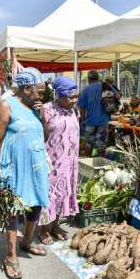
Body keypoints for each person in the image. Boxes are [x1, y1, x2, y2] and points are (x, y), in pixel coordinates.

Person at [0, 67, 50, 279]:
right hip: (14, 167)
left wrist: (42, 115)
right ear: (26, 88)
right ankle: (11, 255)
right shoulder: (7, 106)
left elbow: (45, 136)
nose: (42, 95)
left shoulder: (35, 107)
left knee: (36, 204)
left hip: (35, 165)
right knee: (13, 209)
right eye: (39, 91)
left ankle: (26, 242)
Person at [38, 76, 80, 244]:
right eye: (71, 97)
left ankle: (55, 226)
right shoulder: (47, 109)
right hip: (52, 163)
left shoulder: (73, 111)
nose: (75, 100)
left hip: (69, 162)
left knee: (63, 194)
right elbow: (41, 134)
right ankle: (44, 230)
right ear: (60, 95)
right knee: (49, 195)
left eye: (77, 96)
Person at [78, 70, 111, 156]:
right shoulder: (105, 86)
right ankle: (101, 163)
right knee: (101, 145)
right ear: (98, 78)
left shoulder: (85, 90)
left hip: (90, 122)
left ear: (89, 79)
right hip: (104, 121)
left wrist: (83, 120)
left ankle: (88, 162)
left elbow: (82, 108)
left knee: (89, 144)